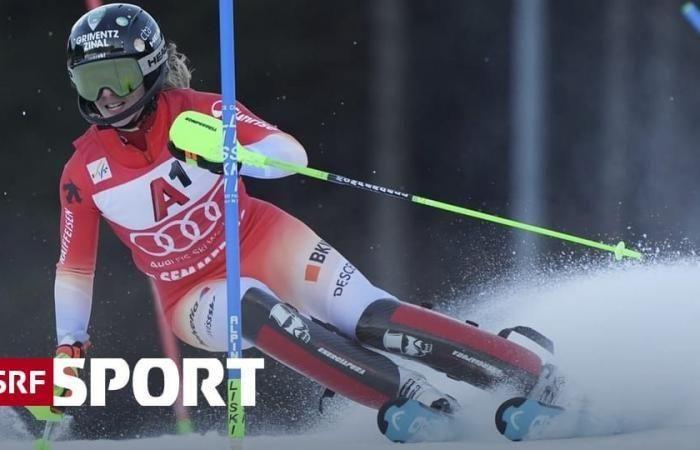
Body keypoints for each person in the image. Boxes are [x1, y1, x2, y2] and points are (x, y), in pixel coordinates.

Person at [55, 3, 555, 432]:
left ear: (149, 68)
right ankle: (411, 397)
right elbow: (74, 267)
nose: (107, 97)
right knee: (249, 309)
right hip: (189, 293)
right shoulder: (83, 171)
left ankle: (533, 376)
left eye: (117, 78)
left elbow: (290, 154)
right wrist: (70, 343)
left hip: (260, 236)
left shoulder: (200, 112)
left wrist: (234, 154)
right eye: (91, 81)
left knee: (369, 318)